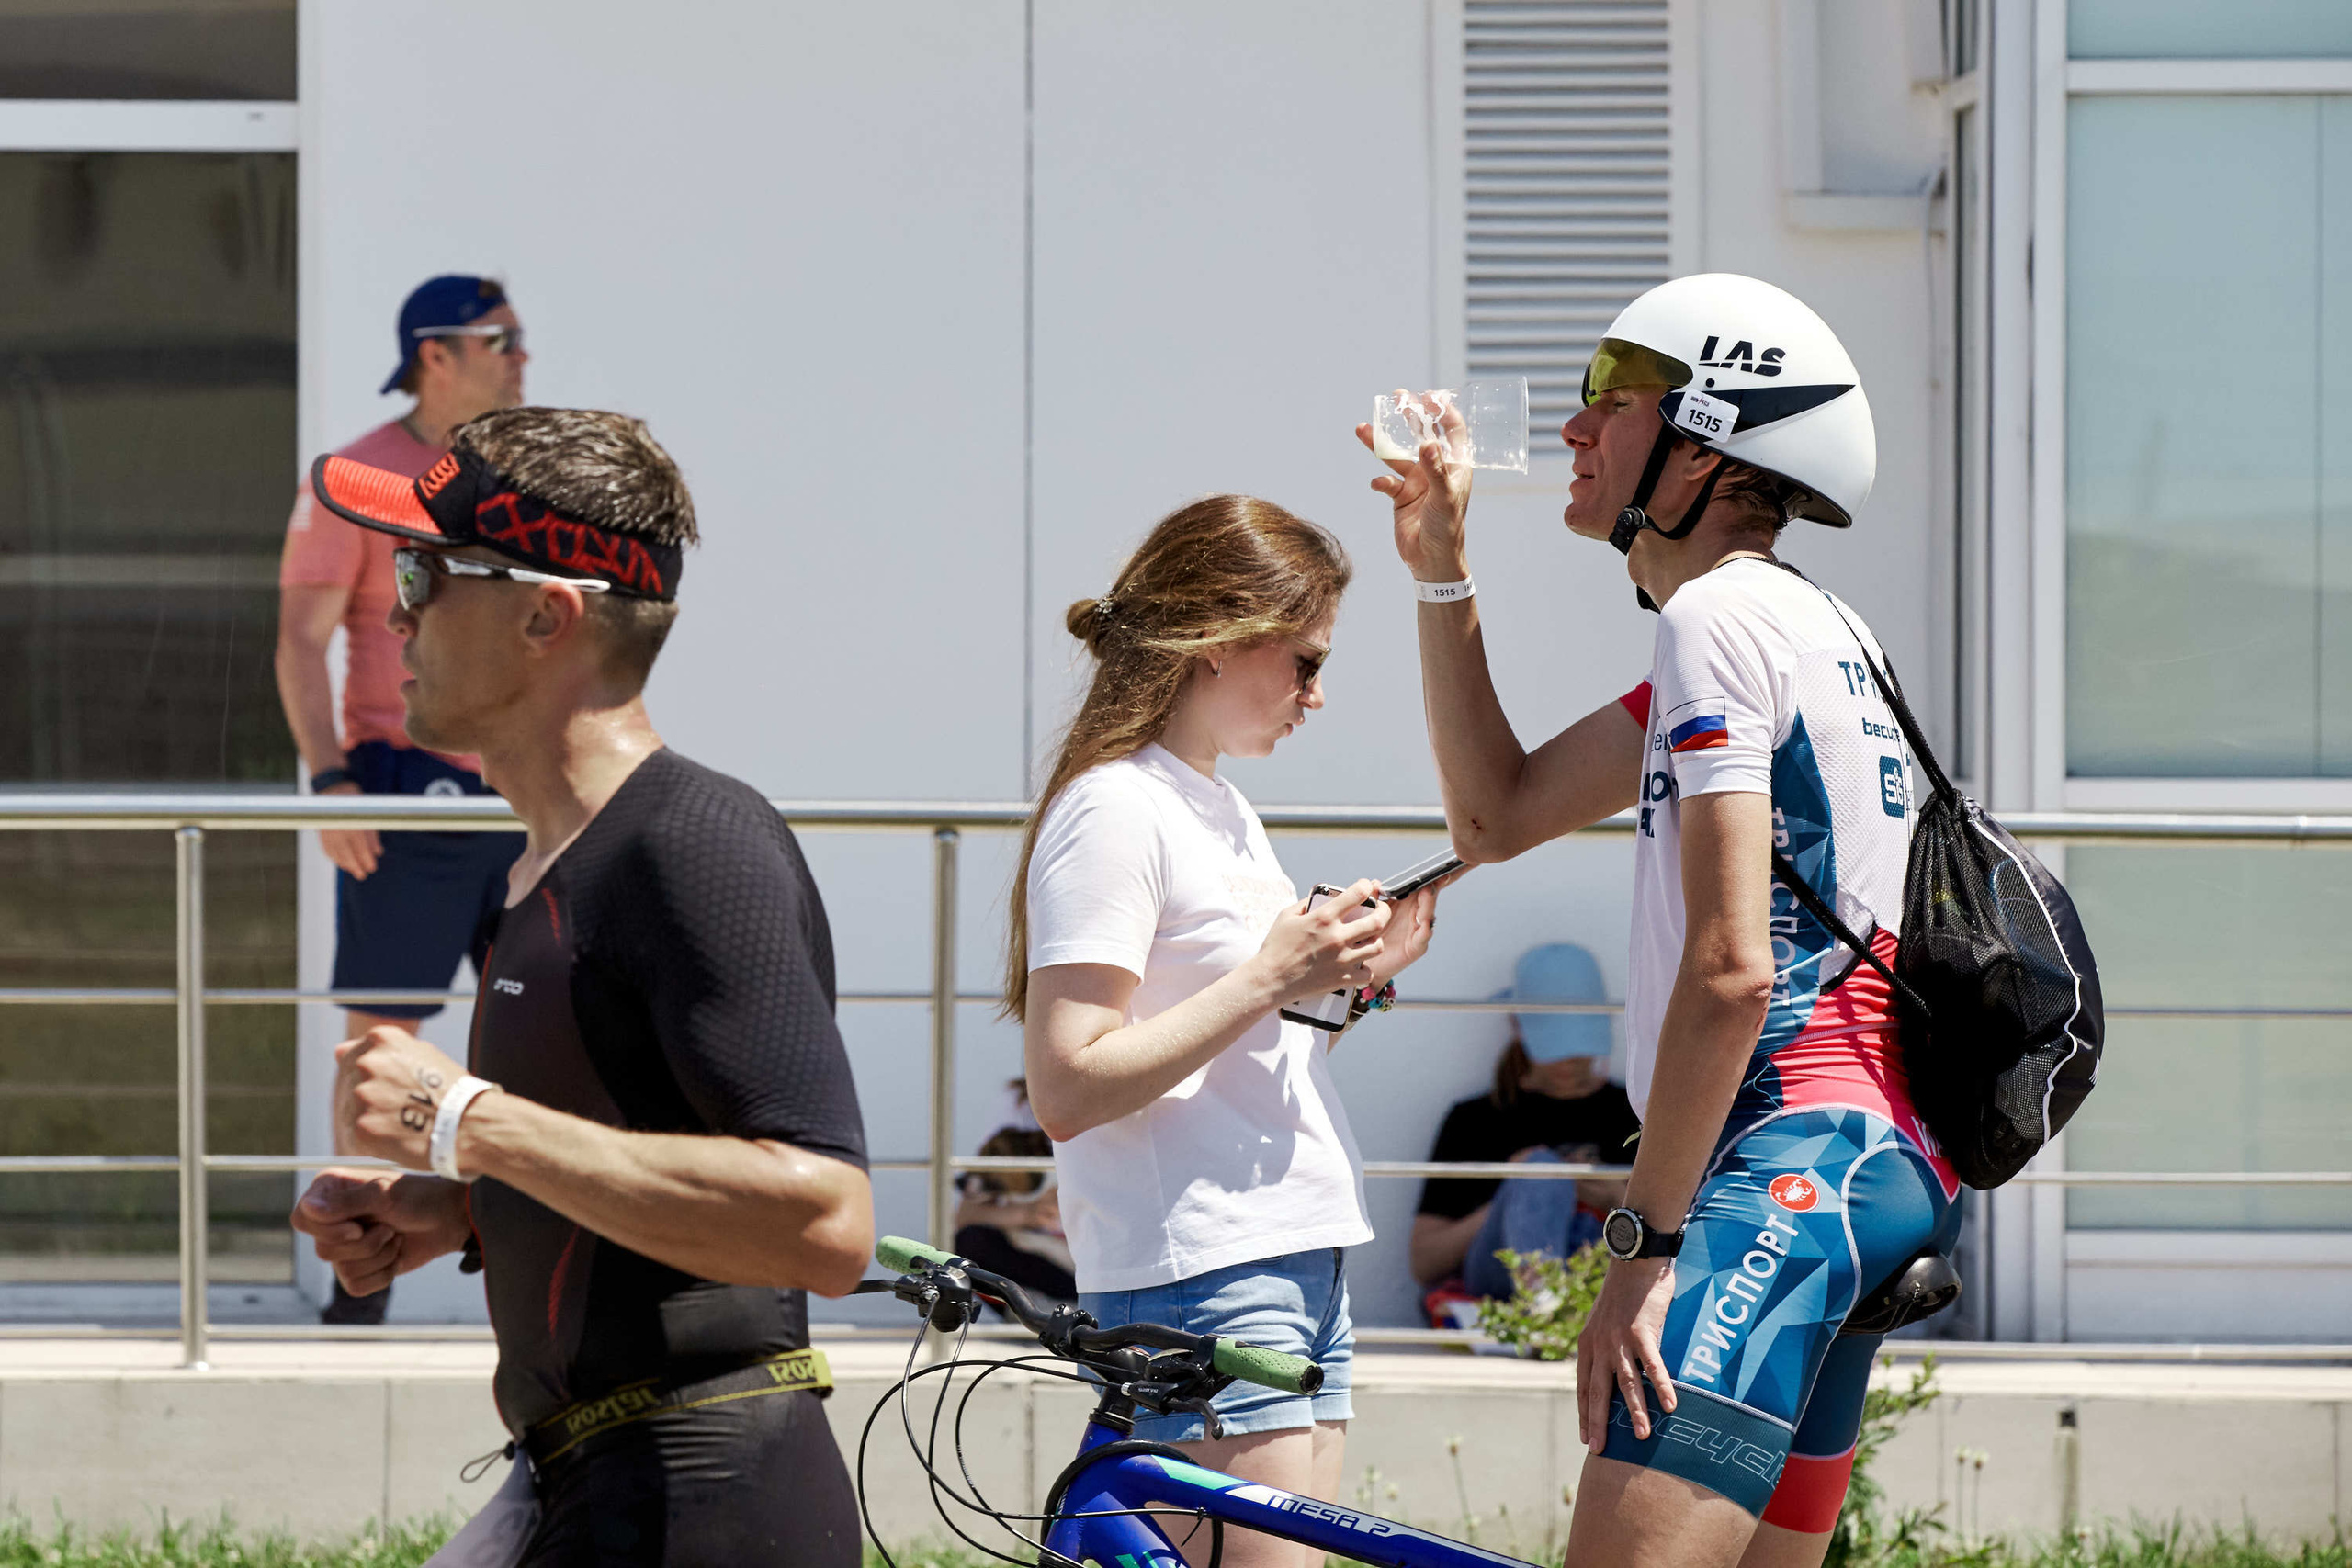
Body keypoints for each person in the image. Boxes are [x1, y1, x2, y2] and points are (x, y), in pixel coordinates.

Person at [1363, 273, 1960, 1568]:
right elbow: (1496, 814)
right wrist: (1441, 569)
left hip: (1785, 1164)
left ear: (1707, 444)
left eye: (1610, 401)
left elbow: (1734, 967)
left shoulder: (1717, 617)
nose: (1575, 430)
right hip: (1876, 1171)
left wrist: (1639, 1241)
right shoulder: (1811, 623)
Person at [286, 407, 873, 1568]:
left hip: (704, 1497)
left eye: (424, 570)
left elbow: (823, 1222)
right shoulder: (547, 862)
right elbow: (641, 1145)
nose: (395, 609)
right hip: (594, 1482)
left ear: (545, 613)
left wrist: (470, 1124)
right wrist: (463, 1210)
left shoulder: (694, 844)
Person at [1007, 496, 1443, 1568]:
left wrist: (1354, 983)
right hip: (1205, 1267)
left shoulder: (1215, 805)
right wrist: (1272, 975)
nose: (1317, 695)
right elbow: (1067, 1082)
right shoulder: (1114, 809)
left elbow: (1243, 1056)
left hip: (1284, 1254)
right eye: (1303, 661)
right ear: (1218, 640)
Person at [274, 274, 530, 1325]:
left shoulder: (519, 465)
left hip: (518, 788)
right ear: (437, 352)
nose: (521, 356)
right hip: (401, 784)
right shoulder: (362, 473)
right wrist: (330, 780)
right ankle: (359, 1292)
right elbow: (300, 635)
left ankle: (538, 1276)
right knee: (383, 1039)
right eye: (501, 340)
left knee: (540, 1030)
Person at [1409, 942, 1640, 1310]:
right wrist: (1519, 1188)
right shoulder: (1474, 1119)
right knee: (1540, 1172)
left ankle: (1551, 1311)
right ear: (1517, 1025)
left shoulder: (1635, 1112)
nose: (1568, 1061)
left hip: (1604, 1276)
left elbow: (1680, 1237)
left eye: (1578, 1046)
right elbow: (1425, 1263)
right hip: (1502, 1283)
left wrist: (1616, 1199)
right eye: (1555, 1045)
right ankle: (1544, 1306)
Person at [952, 1082, 1076, 1307]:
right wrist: (1029, 1213)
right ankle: (1028, 1314)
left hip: (1091, 1256)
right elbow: (964, 1216)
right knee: (970, 1243)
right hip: (1044, 1259)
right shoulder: (1016, 1104)